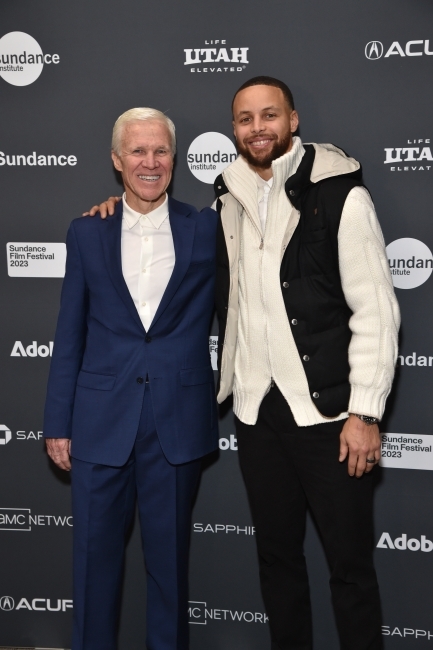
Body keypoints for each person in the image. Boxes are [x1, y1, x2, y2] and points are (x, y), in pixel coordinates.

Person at [89, 77, 400, 650]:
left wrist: (366, 410)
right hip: (258, 417)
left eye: (269, 116)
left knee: (351, 570)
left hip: (331, 416)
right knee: (277, 564)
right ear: (234, 130)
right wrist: (116, 212)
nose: (258, 128)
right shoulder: (225, 203)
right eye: (245, 119)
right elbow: (153, 231)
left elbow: (376, 310)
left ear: (293, 120)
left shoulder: (341, 194)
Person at [44, 107, 218, 650]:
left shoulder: (209, 228)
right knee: (94, 568)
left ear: (175, 158)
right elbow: (69, 332)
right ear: (118, 160)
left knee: (170, 571)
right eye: (137, 152)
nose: (150, 162)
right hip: (98, 422)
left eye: (160, 151)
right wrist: (57, 423)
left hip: (177, 421)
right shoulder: (86, 231)